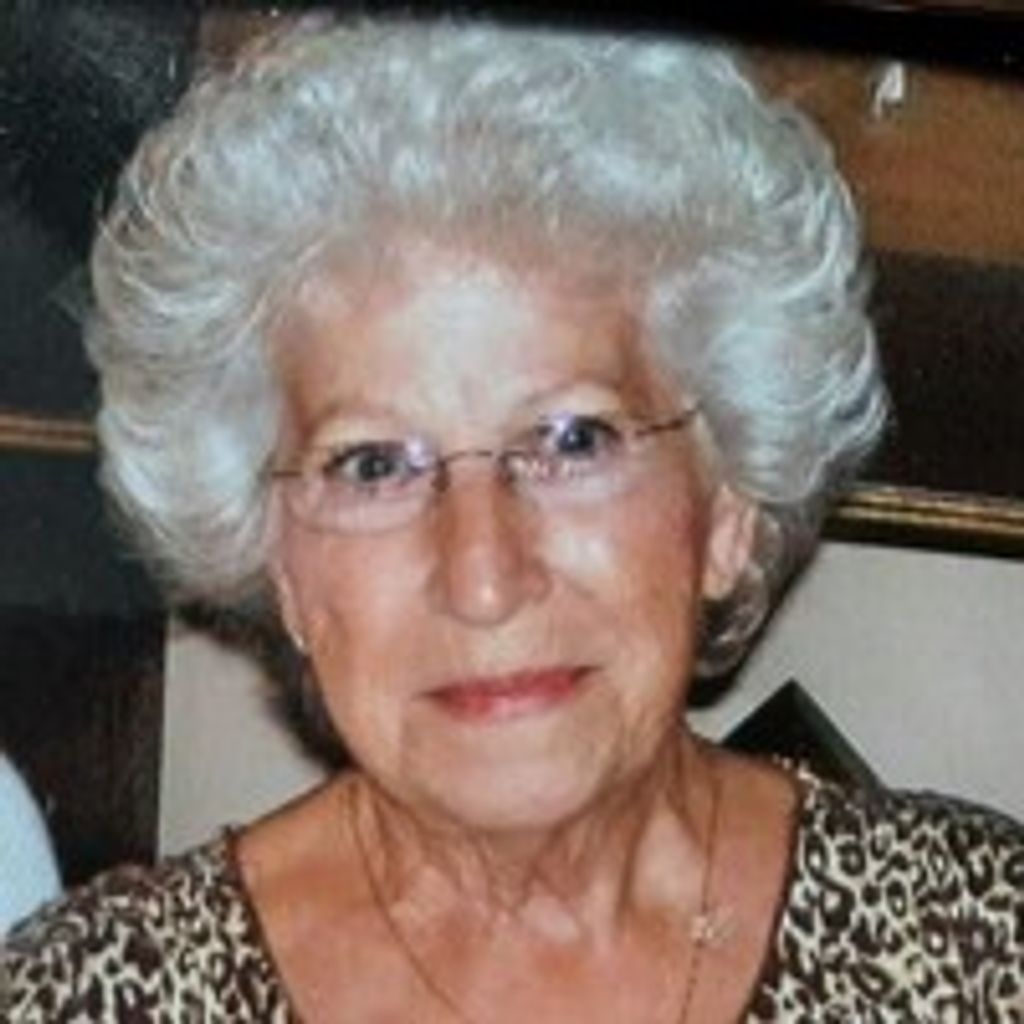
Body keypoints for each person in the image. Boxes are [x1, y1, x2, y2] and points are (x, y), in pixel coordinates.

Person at [3, 15, 1021, 1022]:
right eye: (373, 464)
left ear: (726, 511)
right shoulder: (87, 999)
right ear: (282, 566)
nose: (483, 576)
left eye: (573, 440)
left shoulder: (980, 946)